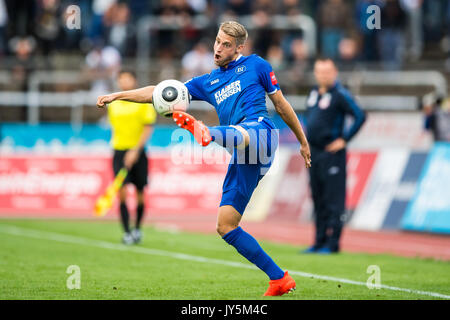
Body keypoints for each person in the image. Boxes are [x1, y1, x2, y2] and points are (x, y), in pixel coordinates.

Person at [97, 21, 311, 296]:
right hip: (244, 156)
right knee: (226, 225)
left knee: (244, 130)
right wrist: (118, 96)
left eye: (226, 45)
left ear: (239, 48)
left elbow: (281, 104)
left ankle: (205, 131)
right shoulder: (208, 81)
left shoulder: (257, 65)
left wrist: (303, 141)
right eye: (218, 41)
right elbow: (159, 92)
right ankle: (279, 278)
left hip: (261, 134)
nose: (218, 48)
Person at [302, 58, 366, 254]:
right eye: (320, 71)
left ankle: (333, 243)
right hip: (314, 153)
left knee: (334, 199)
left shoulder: (340, 94)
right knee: (318, 198)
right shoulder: (313, 93)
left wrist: (344, 139)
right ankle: (319, 241)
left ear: (335, 72)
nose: (323, 75)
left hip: (332, 154)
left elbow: (360, 116)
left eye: (327, 71)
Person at [107, 70, 157, 245]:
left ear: (134, 81)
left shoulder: (143, 102)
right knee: (121, 192)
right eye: (121, 79)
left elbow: (148, 128)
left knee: (140, 193)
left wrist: (135, 150)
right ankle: (127, 232)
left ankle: (137, 229)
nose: (124, 82)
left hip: (138, 152)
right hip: (119, 152)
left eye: (128, 78)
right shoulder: (113, 104)